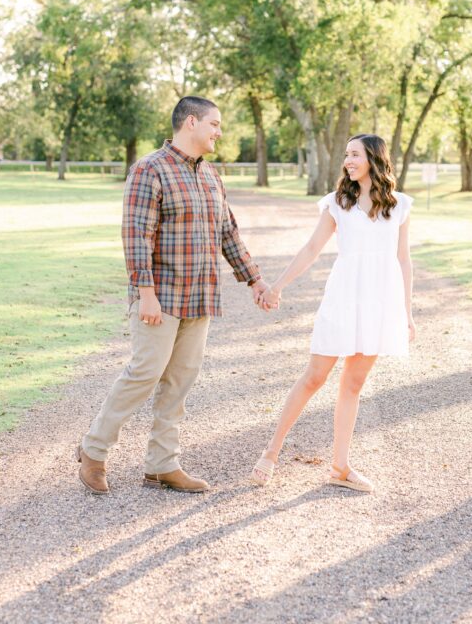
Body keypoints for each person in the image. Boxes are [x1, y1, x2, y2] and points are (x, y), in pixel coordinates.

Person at [78, 96, 273, 495]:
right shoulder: (149, 169)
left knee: (180, 380)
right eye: (215, 124)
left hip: (199, 296)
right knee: (145, 372)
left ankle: (162, 464)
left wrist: (255, 280)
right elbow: (136, 235)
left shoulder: (212, 176)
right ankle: (93, 451)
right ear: (190, 123)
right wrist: (145, 292)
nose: (220, 132)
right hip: (160, 296)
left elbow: (228, 234)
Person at [251, 133, 415, 493]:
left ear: (374, 158)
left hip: (379, 302)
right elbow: (311, 248)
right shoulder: (338, 203)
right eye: (346, 155)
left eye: (355, 154)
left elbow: (403, 259)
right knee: (314, 376)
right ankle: (271, 451)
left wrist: (406, 312)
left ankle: (340, 467)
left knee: (353, 384)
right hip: (343, 297)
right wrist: (277, 286)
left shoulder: (399, 205)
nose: (348, 161)